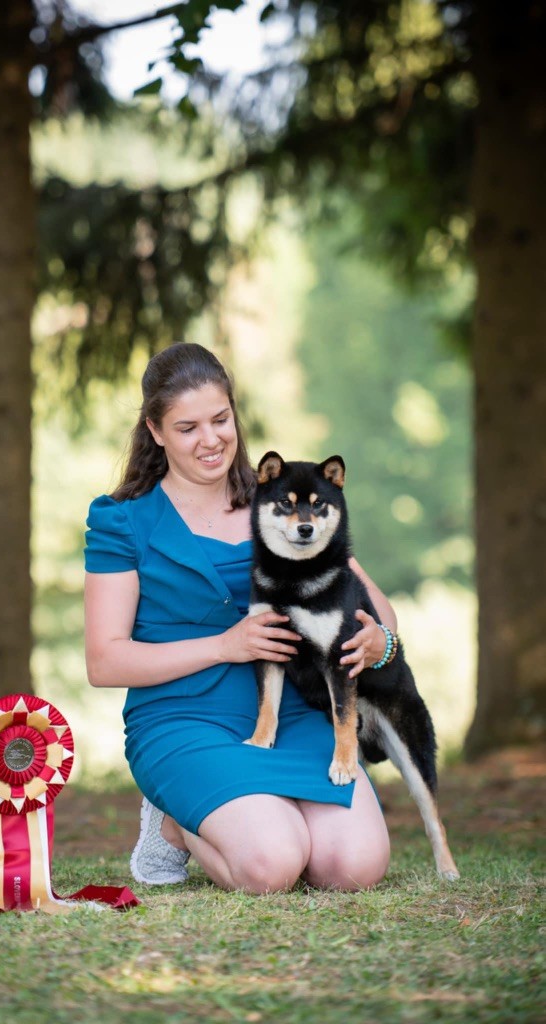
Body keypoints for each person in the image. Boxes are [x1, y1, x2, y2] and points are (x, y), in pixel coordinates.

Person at [84, 342, 393, 894]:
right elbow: (105, 661)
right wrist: (226, 646)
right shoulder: (122, 521)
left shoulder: (286, 499)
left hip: (291, 713)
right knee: (272, 866)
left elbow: (375, 607)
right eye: (187, 427)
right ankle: (174, 822)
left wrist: (379, 641)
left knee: (354, 868)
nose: (211, 440)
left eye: (221, 419)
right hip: (182, 719)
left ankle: (253, 811)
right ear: (156, 431)